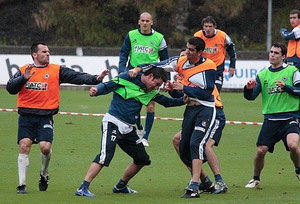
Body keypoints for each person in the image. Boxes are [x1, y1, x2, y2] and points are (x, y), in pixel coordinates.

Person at [6, 42, 109, 194]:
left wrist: (96, 79)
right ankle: (22, 184)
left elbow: (77, 76)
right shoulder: (24, 70)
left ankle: (44, 173)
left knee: (45, 148)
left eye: (48, 51)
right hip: (26, 116)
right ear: (35, 55)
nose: (48, 54)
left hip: (45, 116)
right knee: (24, 146)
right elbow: (10, 88)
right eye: (44, 52)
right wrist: (23, 78)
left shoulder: (56, 70)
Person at [75, 67, 188, 197]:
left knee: (142, 159)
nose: (157, 87)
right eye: (157, 84)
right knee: (105, 156)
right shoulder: (127, 78)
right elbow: (108, 85)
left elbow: (167, 102)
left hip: (128, 129)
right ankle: (83, 187)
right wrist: (96, 90)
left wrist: (183, 100)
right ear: (150, 76)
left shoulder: (149, 90)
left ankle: (120, 186)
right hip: (113, 123)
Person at [130, 36, 217, 199]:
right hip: (190, 110)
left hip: (205, 109)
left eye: (191, 50)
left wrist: (184, 87)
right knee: (183, 148)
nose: (187, 52)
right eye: (187, 48)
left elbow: (207, 93)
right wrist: (139, 69)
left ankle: (194, 185)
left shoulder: (209, 66)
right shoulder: (180, 61)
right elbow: (158, 65)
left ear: (199, 52)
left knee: (195, 143)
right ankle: (205, 181)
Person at [244, 42, 300, 188]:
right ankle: (255, 178)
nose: (272, 55)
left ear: (283, 56)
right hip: (271, 119)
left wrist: (286, 87)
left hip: (290, 117)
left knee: (293, 145)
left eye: (276, 53)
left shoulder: (293, 71)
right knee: (261, 151)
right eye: (271, 52)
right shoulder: (262, 75)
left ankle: (298, 170)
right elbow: (251, 97)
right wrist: (248, 89)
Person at [118, 12, 169, 147]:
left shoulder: (159, 38)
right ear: (139, 22)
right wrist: (122, 70)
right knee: (132, 105)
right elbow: (124, 53)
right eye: (143, 20)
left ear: (152, 22)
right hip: (134, 74)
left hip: (152, 76)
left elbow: (165, 61)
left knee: (150, 105)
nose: (145, 23)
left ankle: (145, 137)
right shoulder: (131, 35)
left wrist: (165, 79)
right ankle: (139, 125)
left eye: (147, 21)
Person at [194, 16, 237, 92]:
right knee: (202, 93)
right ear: (203, 27)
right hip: (202, 68)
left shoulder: (222, 36)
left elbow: (232, 50)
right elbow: (191, 50)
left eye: (210, 26)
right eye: (206, 26)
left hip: (217, 68)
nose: (208, 29)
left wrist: (232, 66)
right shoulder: (198, 36)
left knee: (216, 92)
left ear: (214, 27)